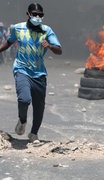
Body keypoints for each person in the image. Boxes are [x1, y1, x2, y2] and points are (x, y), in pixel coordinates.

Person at [0, 3, 62, 143]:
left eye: (40, 14)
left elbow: (59, 50)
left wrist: (50, 46)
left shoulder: (47, 30)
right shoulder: (18, 28)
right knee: (24, 99)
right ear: (28, 14)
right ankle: (22, 121)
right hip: (22, 69)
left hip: (39, 73)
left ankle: (34, 134)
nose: (38, 17)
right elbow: (8, 43)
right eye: (34, 14)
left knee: (39, 106)